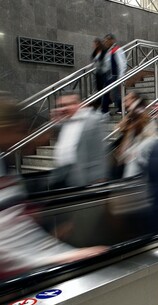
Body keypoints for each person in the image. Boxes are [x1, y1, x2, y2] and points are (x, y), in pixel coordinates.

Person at [0, 96, 107, 280]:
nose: (22, 136)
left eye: (67, 105)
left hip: (82, 185)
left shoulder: (93, 121)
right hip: (25, 264)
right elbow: (9, 240)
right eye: (19, 130)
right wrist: (62, 255)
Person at [51, 92, 108, 188]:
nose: (63, 108)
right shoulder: (67, 121)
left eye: (67, 105)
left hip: (83, 177)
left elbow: (98, 153)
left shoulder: (92, 121)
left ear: (77, 104)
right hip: (63, 173)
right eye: (61, 105)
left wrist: (99, 179)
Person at [113, 92, 158, 178]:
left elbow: (131, 127)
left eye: (127, 99)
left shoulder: (138, 111)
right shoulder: (134, 113)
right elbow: (123, 128)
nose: (124, 101)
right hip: (138, 147)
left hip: (144, 147)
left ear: (134, 100)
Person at [101, 33, 127, 115]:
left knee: (116, 94)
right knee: (106, 93)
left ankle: (121, 108)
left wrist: (121, 77)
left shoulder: (117, 50)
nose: (105, 42)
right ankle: (105, 110)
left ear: (112, 40)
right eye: (104, 40)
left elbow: (122, 63)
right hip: (109, 76)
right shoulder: (108, 51)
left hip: (115, 76)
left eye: (107, 40)